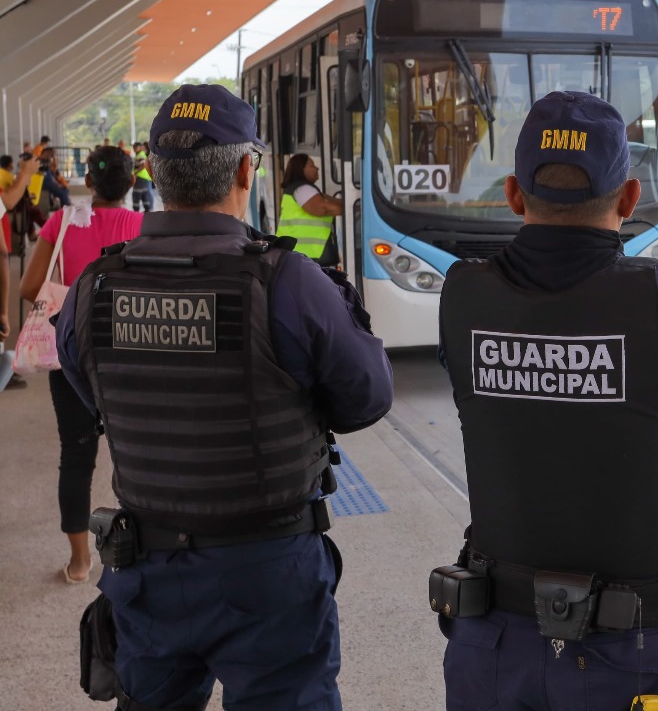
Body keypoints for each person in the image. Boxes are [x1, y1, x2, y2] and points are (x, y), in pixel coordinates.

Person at [55, 83, 395, 710]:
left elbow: (91, 394)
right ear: (245, 169)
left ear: (155, 171)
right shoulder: (290, 282)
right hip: (269, 573)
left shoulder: (92, 288)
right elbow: (367, 400)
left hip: (147, 569)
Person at [434, 91, 658, 711]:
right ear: (629, 199)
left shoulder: (463, 293)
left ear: (513, 195)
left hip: (491, 639)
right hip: (629, 650)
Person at [20, 146, 142, 583]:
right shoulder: (141, 227)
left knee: (76, 456)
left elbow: (29, 286)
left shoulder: (62, 222)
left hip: (69, 353)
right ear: (132, 182)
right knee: (139, 453)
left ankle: (79, 561)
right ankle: (139, 548)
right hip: (127, 357)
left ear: (88, 182)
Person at [278, 152, 342, 267]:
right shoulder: (303, 190)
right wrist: (353, 210)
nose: (317, 168)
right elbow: (323, 208)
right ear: (300, 169)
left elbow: (335, 202)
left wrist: (355, 205)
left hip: (299, 254)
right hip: (305, 254)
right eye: (312, 166)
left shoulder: (302, 189)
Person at [131, 141, 155, 212]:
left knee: (136, 194)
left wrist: (135, 172)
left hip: (141, 177)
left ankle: (136, 212)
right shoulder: (140, 154)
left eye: (136, 147)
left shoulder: (140, 155)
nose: (134, 148)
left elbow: (142, 165)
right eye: (134, 147)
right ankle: (147, 210)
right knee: (145, 194)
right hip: (144, 177)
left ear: (140, 147)